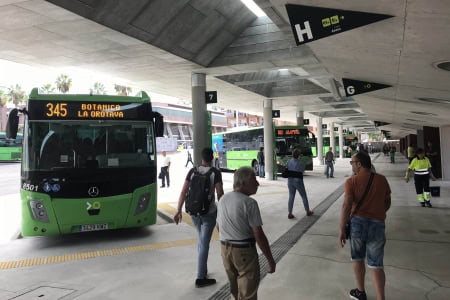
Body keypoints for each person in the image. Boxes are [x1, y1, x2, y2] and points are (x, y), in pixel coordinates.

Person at [217, 166, 276, 299]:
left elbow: (219, 227)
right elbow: (259, 235)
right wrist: (270, 260)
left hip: (225, 250)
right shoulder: (249, 203)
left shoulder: (223, 200)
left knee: (235, 291)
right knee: (248, 294)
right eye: (253, 179)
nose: (257, 183)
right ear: (243, 183)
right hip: (244, 252)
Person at [339, 151, 391, 300]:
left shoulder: (351, 182)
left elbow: (347, 205)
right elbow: (387, 202)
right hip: (378, 225)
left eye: (352, 163)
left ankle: (360, 292)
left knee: (358, 258)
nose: (352, 165)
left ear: (359, 164)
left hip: (357, 225)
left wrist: (341, 229)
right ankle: (381, 298)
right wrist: (379, 213)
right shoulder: (382, 180)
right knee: (376, 264)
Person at [173, 147, 224, 288]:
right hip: (209, 213)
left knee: (201, 241)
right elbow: (220, 194)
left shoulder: (192, 171)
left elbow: (183, 191)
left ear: (201, 158)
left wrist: (178, 210)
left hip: (194, 212)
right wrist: (223, 214)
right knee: (204, 243)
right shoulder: (215, 173)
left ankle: (203, 270)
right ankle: (200, 278)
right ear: (212, 158)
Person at [286, 149, 313, 219]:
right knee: (303, 195)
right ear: (299, 155)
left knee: (291, 196)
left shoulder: (289, 161)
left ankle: (290, 213)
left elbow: (287, 168)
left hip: (290, 180)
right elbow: (302, 170)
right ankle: (307, 211)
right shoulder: (301, 162)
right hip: (298, 180)